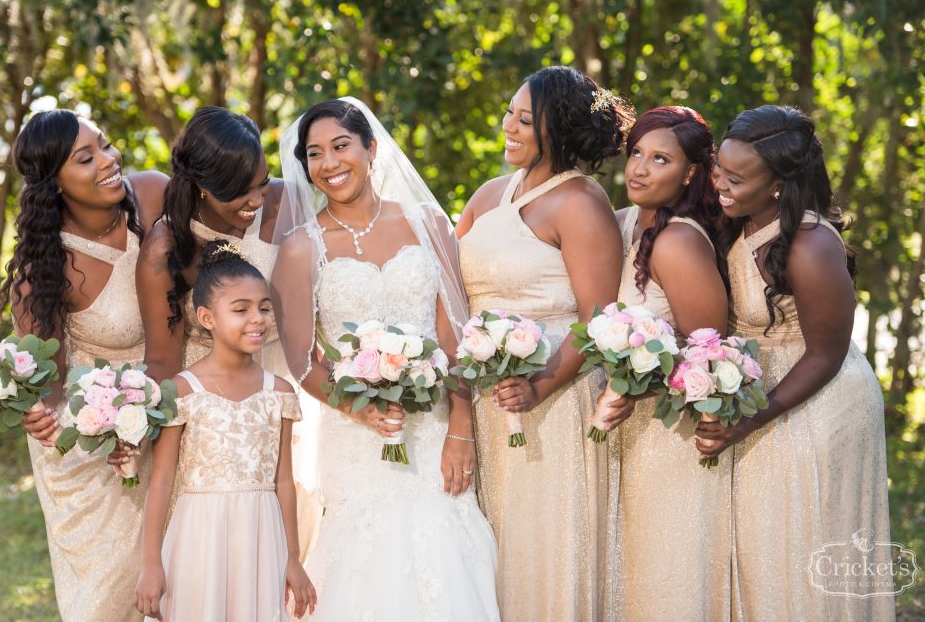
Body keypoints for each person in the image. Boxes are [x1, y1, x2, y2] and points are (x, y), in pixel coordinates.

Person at [270, 98, 499, 620]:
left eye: (341, 146)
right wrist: (361, 408)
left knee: (447, 550)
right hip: (356, 436)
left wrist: (460, 426)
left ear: (371, 148)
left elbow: (455, 334)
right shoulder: (301, 247)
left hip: (435, 428)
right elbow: (302, 361)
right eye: (315, 154)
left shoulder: (427, 223)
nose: (329, 163)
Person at [703, 105, 894, 620]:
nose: (720, 184)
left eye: (736, 179)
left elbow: (827, 354)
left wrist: (750, 417)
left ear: (778, 187)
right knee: (763, 548)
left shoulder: (810, 245)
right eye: (720, 168)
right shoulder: (741, 222)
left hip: (815, 399)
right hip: (763, 394)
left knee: (803, 544)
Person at [456, 66, 630, 620]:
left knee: (544, 550)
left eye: (526, 120)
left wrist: (541, 385)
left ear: (559, 128)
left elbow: (600, 318)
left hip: (554, 399)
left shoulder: (580, 202)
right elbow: (450, 292)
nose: (509, 126)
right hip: (484, 399)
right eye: (510, 112)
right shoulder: (489, 194)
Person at [3, 109, 167, 622]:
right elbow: (49, 387)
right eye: (85, 157)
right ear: (54, 182)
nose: (108, 160)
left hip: (172, 409)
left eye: (105, 145)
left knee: (184, 578)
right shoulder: (44, 271)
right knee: (113, 594)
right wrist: (41, 413)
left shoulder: (154, 195)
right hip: (93, 438)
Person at [135, 241, 315, 621]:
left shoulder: (280, 393)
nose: (257, 319)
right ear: (207, 317)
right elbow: (161, 481)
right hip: (200, 536)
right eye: (241, 309)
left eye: (264, 307)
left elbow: (284, 481)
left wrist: (293, 559)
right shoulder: (182, 391)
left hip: (260, 537)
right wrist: (151, 564)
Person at [608, 106, 730, 620]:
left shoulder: (678, 240)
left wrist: (636, 379)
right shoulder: (621, 223)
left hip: (667, 433)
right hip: (624, 429)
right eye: (636, 152)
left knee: (666, 570)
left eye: (660, 159)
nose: (639, 168)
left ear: (689, 173)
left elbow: (708, 352)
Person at [137, 106, 283, 381]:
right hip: (210, 390)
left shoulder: (282, 201)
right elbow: (161, 361)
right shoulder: (165, 247)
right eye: (240, 191)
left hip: (287, 375)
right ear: (202, 185)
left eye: (262, 183)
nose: (256, 201)